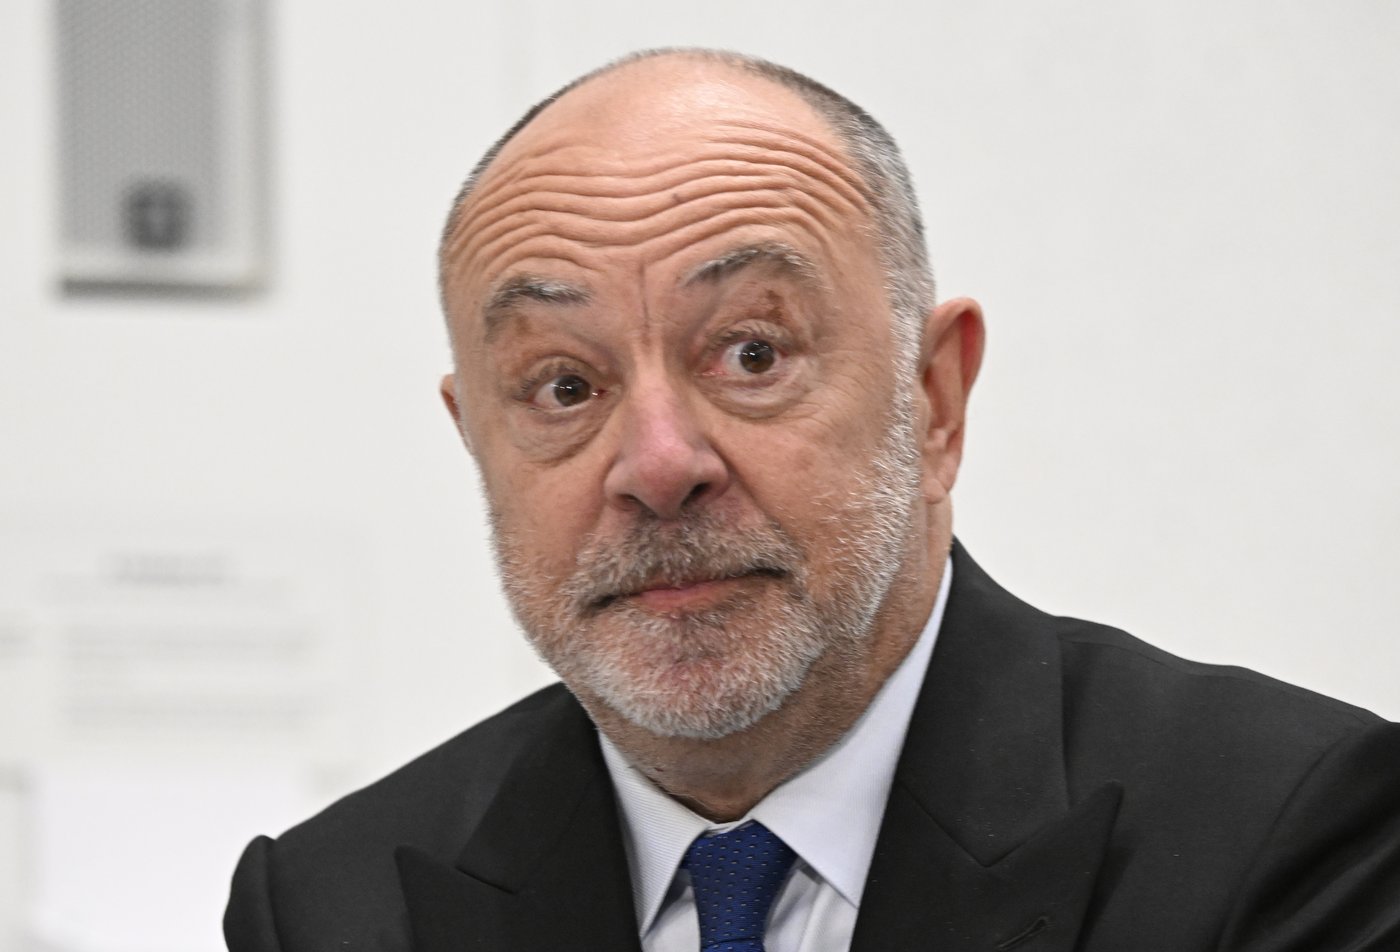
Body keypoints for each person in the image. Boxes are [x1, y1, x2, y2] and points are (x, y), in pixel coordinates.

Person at [224, 48, 1400, 951]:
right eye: (563, 385)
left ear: (932, 400)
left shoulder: (1288, 835)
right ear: (476, 442)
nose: (657, 464)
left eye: (750, 353)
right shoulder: (332, 909)